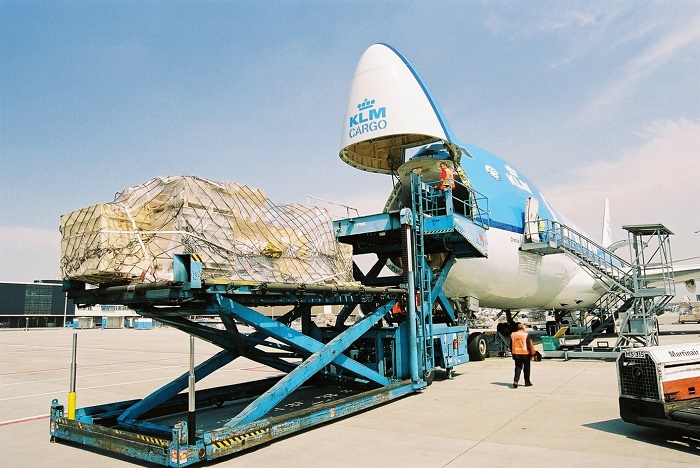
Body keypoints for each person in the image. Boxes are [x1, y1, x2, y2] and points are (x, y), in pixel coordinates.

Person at [510, 322, 536, 388]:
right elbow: (529, 345)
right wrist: (532, 354)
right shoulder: (526, 335)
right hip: (525, 354)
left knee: (518, 367)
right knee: (526, 368)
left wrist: (512, 353)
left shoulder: (513, 335)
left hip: (516, 354)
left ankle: (516, 380)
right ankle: (527, 382)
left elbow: (511, 345)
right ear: (523, 328)